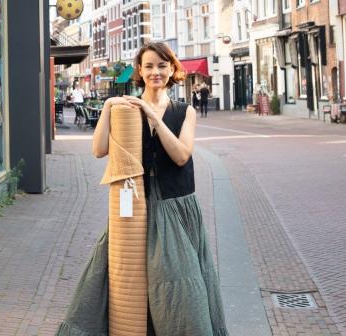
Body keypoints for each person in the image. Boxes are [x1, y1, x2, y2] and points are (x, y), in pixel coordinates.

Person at [56, 42, 228, 336]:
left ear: (172, 69)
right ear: (139, 70)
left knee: (178, 286)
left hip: (174, 208)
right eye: (148, 66)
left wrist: (152, 116)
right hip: (133, 210)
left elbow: (181, 155)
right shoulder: (125, 109)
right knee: (126, 284)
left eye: (162, 66)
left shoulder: (184, 112)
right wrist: (110, 106)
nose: (155, 72)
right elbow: (98, 150)